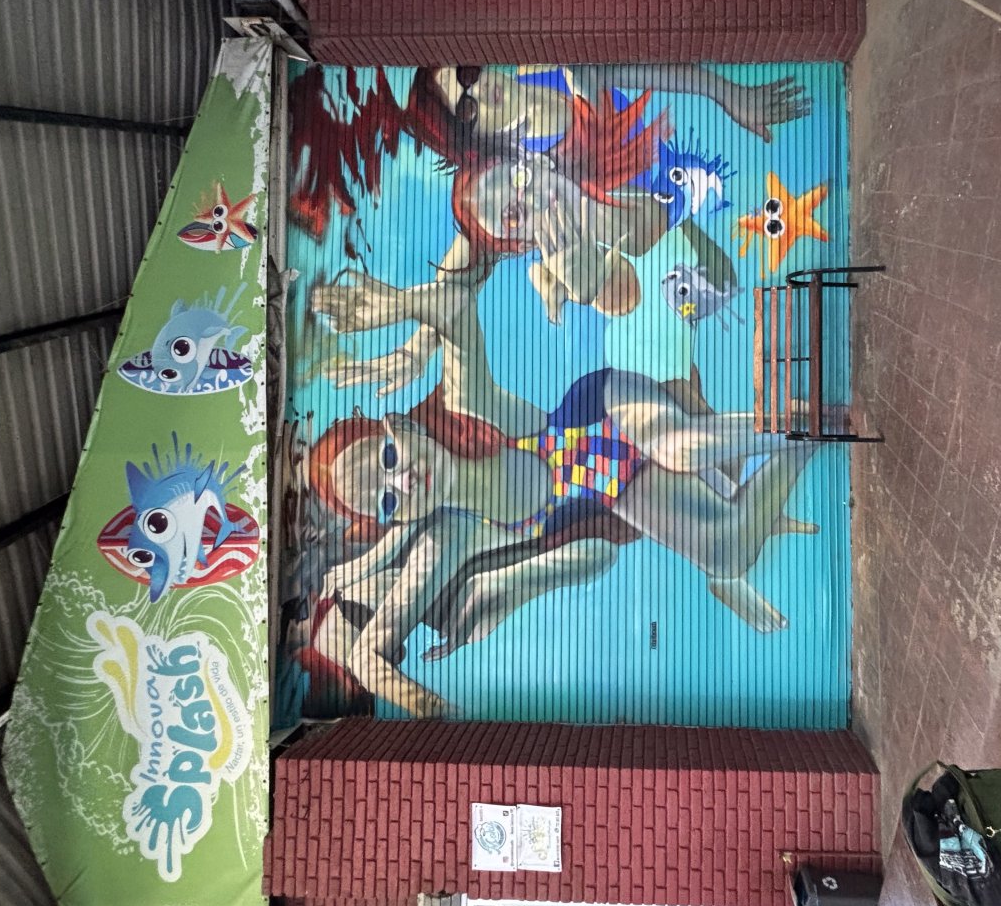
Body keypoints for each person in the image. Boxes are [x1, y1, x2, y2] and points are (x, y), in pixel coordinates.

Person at [304, 277, 818, 718]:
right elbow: (372, 649)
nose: (404, 482)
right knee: (728, 552)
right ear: (397, 520)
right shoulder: (448, 537)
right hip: (613, 487)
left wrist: (396, 306)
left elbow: (455, 307)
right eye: (387, 502)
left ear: (401, 427)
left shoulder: (468, 407)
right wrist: (423, 703)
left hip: (600, 414)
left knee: (681, 446)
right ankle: (803, 441)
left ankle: (790, 426)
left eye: (388, 458)